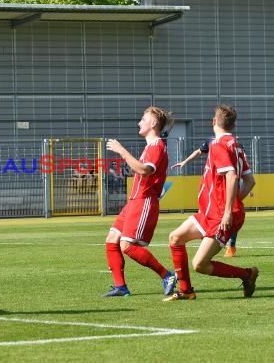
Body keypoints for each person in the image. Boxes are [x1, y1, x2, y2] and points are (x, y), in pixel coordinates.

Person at [165, 104, 257, 301]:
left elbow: (231, 176)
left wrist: (228, 211)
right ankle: (186, 291)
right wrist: (233, 204)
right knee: (175, 238)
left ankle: (247, 274)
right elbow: (250, 181)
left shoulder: (218, 145)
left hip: (219, 216)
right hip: (209, 212)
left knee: (200, 265)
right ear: (233, 125)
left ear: (214, 122)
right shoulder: (236, 145)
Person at [103, 106, 177, 297]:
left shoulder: (157, 146)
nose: (139, 122)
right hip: (134, 201)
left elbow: (145, 170)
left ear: (153, 123)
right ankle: (121, 287)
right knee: (112, 239)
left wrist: (122, 151)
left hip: (144, 201)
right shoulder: (150, 146)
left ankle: (167, 275)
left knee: (127, 246)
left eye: (143, 119)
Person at [171, 138, 251, 258]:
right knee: (206, 215)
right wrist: (185, 162)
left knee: (230, 215)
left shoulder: (234, 146)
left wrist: (242, 189)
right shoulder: (212, 143)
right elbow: (199, 151)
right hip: (215, 185)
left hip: (229, 181)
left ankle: (230, 245)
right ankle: (212, 239)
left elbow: (243, 166)